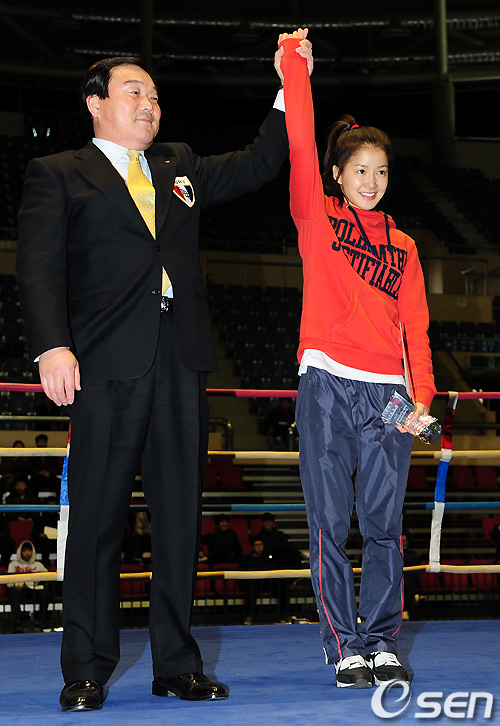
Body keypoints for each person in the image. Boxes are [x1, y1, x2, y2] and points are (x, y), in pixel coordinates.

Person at [16, 37, 313, 712]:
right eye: (135, 93)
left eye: (154, 95)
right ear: (95, 103)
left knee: (180, 519)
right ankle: (85, 669)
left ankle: (177, 664)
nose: (150, 104)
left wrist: (288, 85)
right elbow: (37, 267)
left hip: (181, 359)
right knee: (97, 521)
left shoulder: (179, 163)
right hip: (103, 365)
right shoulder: (56, 172)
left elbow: (261, 161)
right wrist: (52, 348)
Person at [276, 29, 436, 689]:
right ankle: (344, 645)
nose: (372, 181)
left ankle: (382, 641)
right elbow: (299, 143)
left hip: (390, 394)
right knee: (327, 524)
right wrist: (296, 70)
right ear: (338, 175)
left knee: (383, 525)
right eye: (360, 170)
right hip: (325, 383)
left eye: (382, 171)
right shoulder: (317, 219)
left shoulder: (405, 246)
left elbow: (417, 329)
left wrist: (421, 400)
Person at [7, 539, 49, 632]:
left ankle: (40, 621)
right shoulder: (13, 564)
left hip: (34, 589)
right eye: (24, 551)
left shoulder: (38, 565)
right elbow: (8, 581)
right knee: (14, 593)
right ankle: (18, 622)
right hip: (19, 589)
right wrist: (16, 585)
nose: (27, 553)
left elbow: (47, 577)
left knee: (45, 594)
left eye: (29, 550)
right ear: (20, 552)